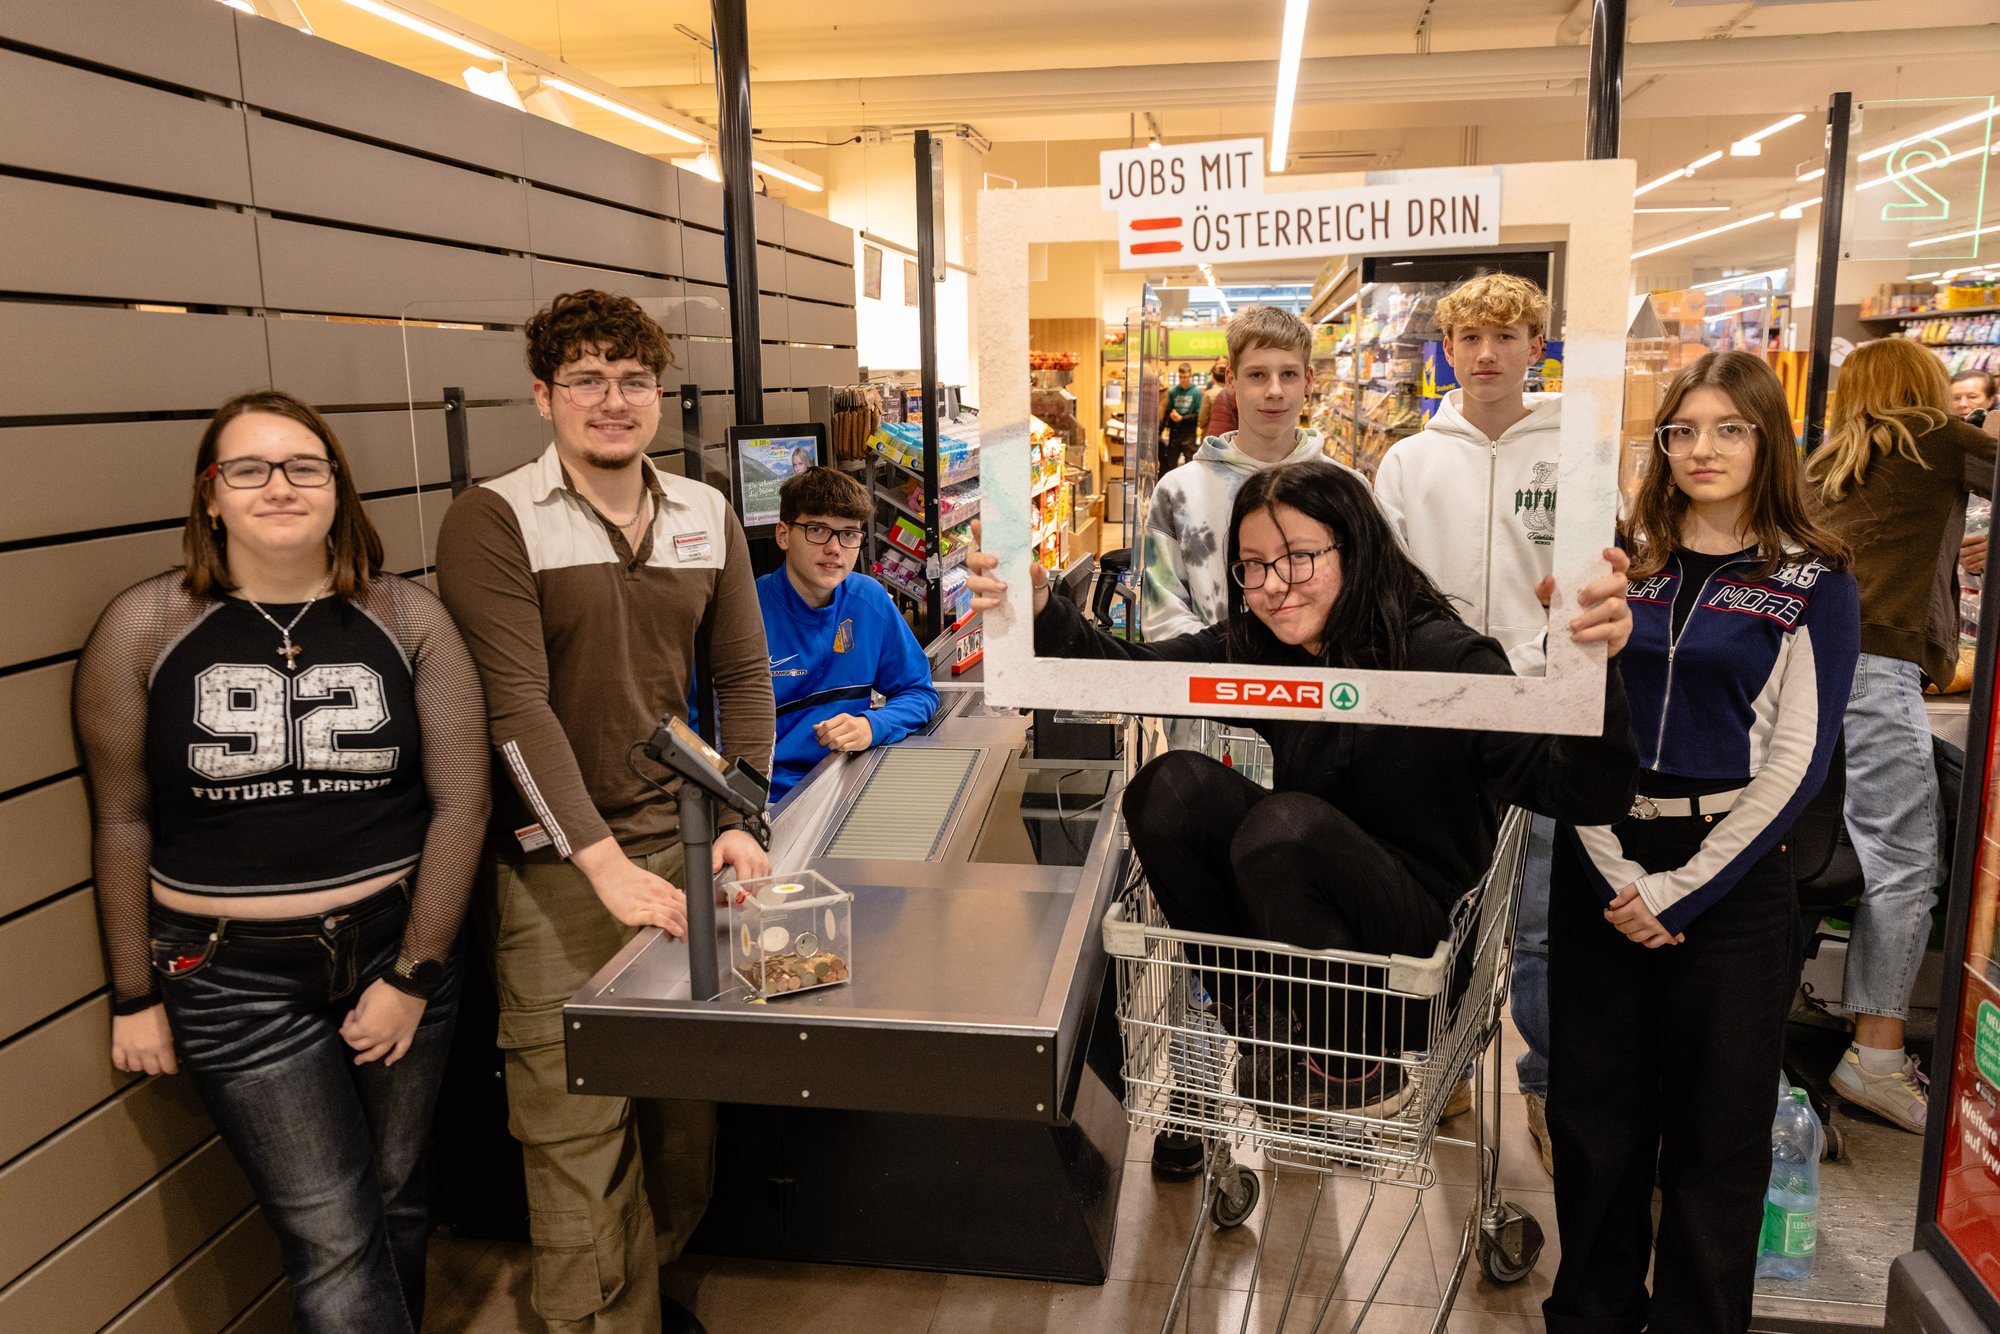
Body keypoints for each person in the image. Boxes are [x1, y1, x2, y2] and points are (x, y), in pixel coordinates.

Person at [969, 460, 1637, 1116]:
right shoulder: (1266, 648)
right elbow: (1131, 674)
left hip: (1408, 965)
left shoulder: (1447, 659)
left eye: (1298, 558)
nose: (1272, 586)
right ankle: (1262, 1023)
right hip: (1300, 940)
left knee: (1284, 826)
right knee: (1166, 788)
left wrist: (1595, 668)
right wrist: (1039, 608)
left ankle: (1352, 1066)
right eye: (1252, 565)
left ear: (1356, 549)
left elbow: (1586, 793)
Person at [73, 391, 490, 1333]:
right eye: (249, 469)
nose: (279, 487)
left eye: (305, 466)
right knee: (332, 1233)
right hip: (228, 978)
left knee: (397, 1197)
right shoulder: (144, 627)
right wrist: (133, 992)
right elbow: (122, 819)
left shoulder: (407, 616)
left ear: (337, 487)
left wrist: (414, 976)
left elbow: (463, 801)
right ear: (209, 494)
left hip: (396, 949)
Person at [436, 290, 774, 1334]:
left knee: (681, 1120)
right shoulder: (494, 518)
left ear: (660, 395)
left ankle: (648, 1296)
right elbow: (514, 707)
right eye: (584, 378)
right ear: (543, 395)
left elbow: (742, 674)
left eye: (632, 379)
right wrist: (599, 862)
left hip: (684, 856)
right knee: (574, 1132)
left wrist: (741, 818)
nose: (611, 400)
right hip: (556, 881)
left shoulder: (704, 511)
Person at [1545, 351, 1858, 1333]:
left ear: (1768, 440)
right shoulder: (1619, 561)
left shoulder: (1813, 580)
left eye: (1728, 428)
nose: (1701, 448)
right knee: (1593, 1121)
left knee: (1716, 1135)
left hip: (1732, 880)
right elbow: (1568, 716)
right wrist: (1617, 871)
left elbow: (1799, 758)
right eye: (1681, 430)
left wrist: (1677, 890)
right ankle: (1590, 1314)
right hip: (1599, 859)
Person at [1371, 270, 1562, 1170]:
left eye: (1506, 336)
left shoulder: (1577, 452)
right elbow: (1387, 588)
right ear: (1447, 351)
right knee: (1444, 900)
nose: (1487, 354)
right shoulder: (1408, 462)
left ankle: (1547, 1086)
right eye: (1470, 339)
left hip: (1544, 705)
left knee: (1543, 916)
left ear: (1535, 347)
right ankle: (1441, 1067)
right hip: (1439, 707)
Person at [1807, 337, 1996, 1135]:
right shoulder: (1936, 438)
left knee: (1822, 852)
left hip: (1807, 666)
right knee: (1907, 863)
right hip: (1875, 668)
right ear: (1925, 387)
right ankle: (1876, 1058)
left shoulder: (1823, 466)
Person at [1143, 306, 1365, 640]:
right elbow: (1162, 614)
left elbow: (1376, 597)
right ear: (1231, 381)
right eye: (1257, 375)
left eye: (1288, 374)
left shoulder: (1349, 490)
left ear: (1307, 381)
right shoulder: (1178, 492)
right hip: (1213, 671)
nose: (1274, 391)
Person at [758, 466, 940, 801]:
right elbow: (706, 733)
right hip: (771, 798)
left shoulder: (868, 600)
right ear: (783, 535)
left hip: (850, 779)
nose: (835, 548)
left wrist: (872, 726)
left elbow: (918, 692)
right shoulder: (746, 615)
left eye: (849, 534)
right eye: (817, 530)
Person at [1161, 361, 1204, 471]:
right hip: (1175, 432)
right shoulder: (1173, 391)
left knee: (1190, 464)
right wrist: (1171, 416)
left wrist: (1182, 418)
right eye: (1181, 377)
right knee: (1171, 465)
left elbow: (1198, 416)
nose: (1184, 380)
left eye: (1186, 377)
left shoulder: (1196, 392)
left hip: (1189, 432)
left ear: (1190, 376)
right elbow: (1168, 410)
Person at [1197, 358, 1237, 440]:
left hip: (1212, 436)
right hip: (1231, 436)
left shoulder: (1208, 394)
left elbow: (1202, 419)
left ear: (1213, 377)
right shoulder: (1234, 393)